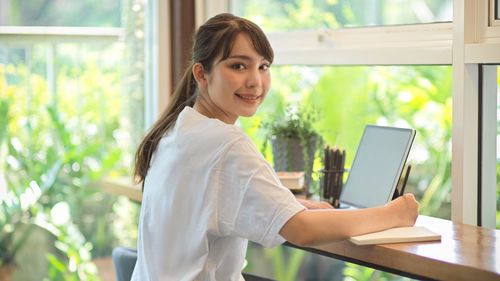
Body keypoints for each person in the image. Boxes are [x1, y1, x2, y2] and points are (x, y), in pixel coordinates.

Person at [131, 13, 419, 281]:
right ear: (202, 74)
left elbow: (207, 201)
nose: (255, 81)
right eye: (238, 66)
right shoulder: (226, 143)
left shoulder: (175, 130)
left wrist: (284, 204)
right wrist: (396, 213)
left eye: (263, 66)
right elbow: (303, 231)